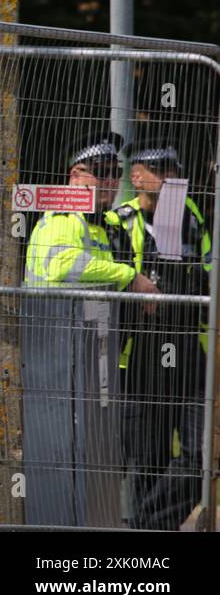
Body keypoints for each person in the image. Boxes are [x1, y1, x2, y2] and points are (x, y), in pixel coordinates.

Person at [22, 130, 159, 526]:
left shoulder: (100, 225)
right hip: (55, 364)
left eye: (116, 173)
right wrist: (129, 277)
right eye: (102, 172)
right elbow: (63, 266)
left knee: (95, 469)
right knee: (68, 472)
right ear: (76, 175)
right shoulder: (65, 216)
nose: (112, 182)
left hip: (82, 365)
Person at [105, 141, 211, 530]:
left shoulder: (190, 214)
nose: (170, 178)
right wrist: (138, 288)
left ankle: (147, 525)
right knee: (147, 457)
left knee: (200, 454)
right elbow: (107, 284)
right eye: (160, 170)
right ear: (137, 176)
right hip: (140, 352)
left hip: (186, 346)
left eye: (173, 170)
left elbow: (206, 269)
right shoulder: (119, 221)